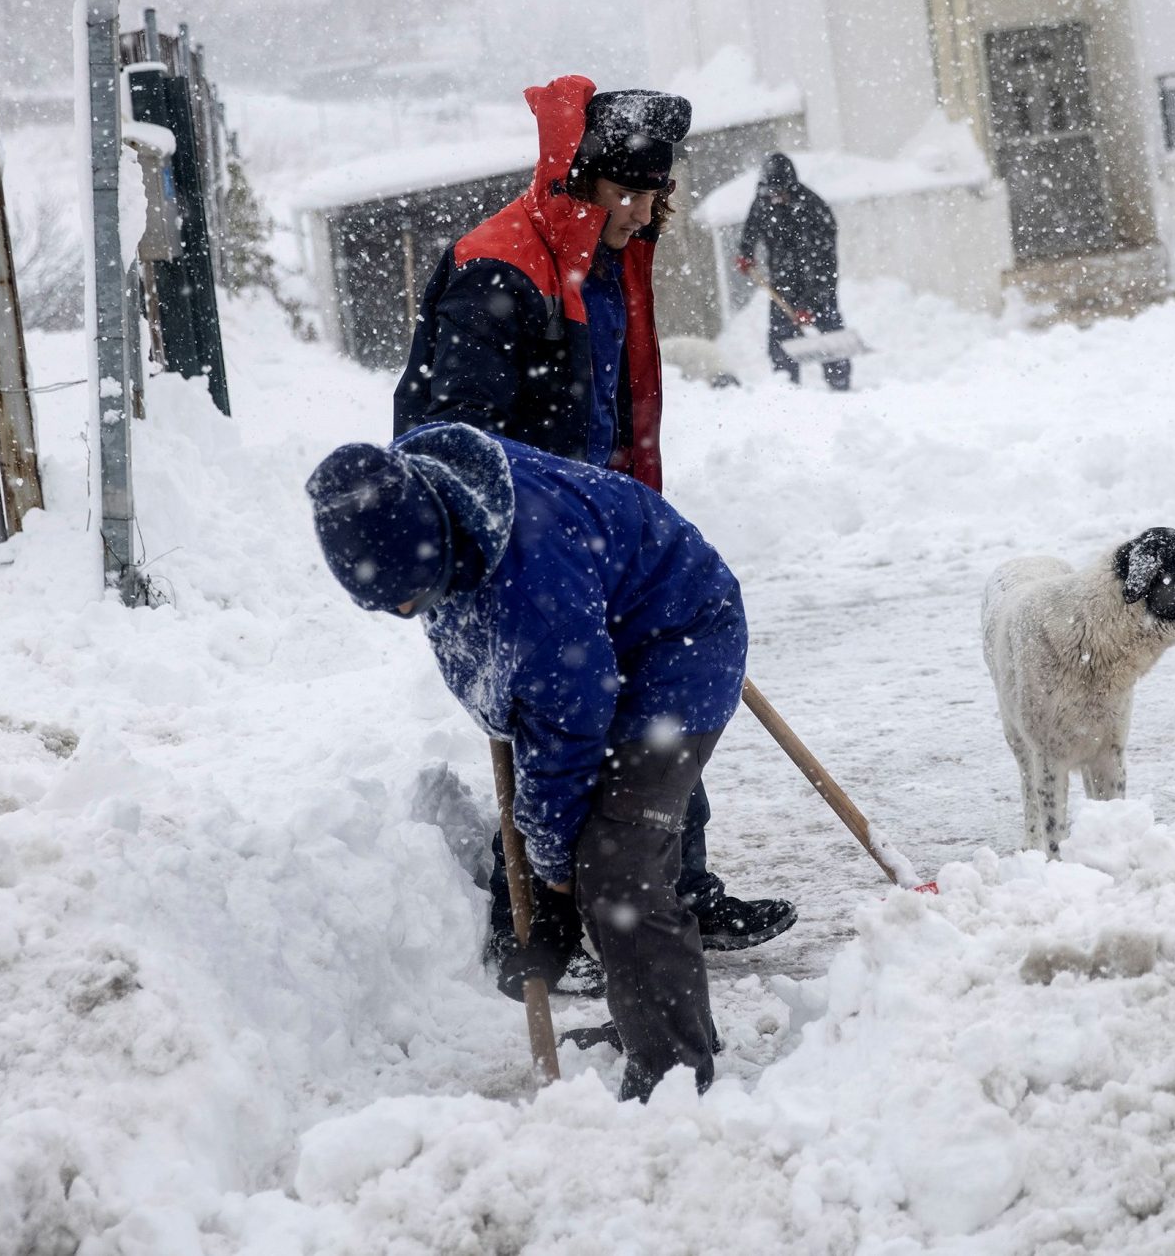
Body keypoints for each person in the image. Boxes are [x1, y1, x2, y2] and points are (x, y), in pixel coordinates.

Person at [392, 75, 794, 967]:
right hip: (517, 544)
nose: (643, 211)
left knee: (656, 697)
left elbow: (609, 401)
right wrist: (521, 544)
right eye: (625, 191)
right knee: (561, 723)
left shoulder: (606, 256)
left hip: (595, 523)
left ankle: (674, 891)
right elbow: (449, 441)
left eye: (655, 193)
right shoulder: (499, 269)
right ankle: (534, 925)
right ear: (575, 181)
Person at [307, 422, 742, 1100]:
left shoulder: (535, 587)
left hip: (678, 642)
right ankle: (654, 1020)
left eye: (413, 595)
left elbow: (566, 727)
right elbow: (527, 690)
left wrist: (551, 872)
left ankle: (674, 1074)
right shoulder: (428, 488)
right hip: (596, 633)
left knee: (617, 863)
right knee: (591, 851)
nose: (404, 609)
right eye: (389, 604)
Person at [736, 152, 850, 390]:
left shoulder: (814, 210)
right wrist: (746, 253)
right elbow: (753, 224)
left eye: (780, 193)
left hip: (817, 281)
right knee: (781, 338)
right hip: (782, 280)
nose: (775, 198)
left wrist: (809, 304)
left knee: (831, 336)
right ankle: (787, 387)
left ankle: (840, 385)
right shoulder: (764, 199)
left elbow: (824, 264)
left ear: (791, 186)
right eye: (771, 193)